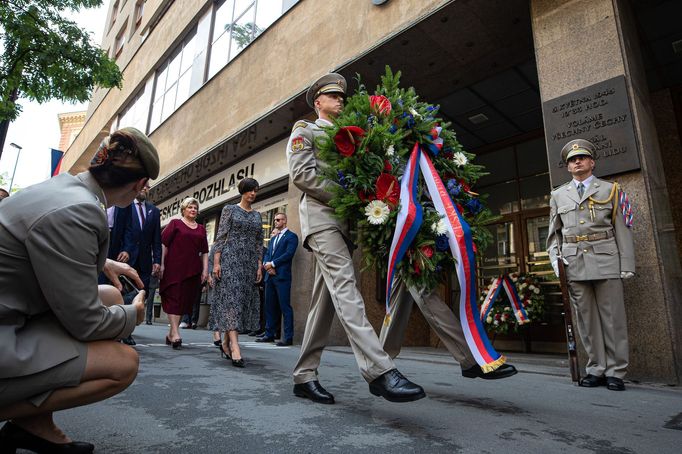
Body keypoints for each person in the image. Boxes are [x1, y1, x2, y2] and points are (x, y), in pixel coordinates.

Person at [0, 127, 158, 452]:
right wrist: (135, 314)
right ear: (141, 185)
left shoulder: (66, 187)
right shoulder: (80, 211)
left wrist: (105, 263)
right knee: (123, 363)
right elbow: (85, 323)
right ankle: (20, 415)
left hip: (10, 316)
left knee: (111, 295)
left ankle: (33, 425)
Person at [287, 73, 424, 405]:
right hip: (321, 220)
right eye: (333, 96)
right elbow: (303, 175)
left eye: (341, 96)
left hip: (344, 225)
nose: (340, 100)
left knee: (324, 302)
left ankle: (304, 376)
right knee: (346, 288)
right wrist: (350, 195)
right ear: (317, 102)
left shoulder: (351, 136)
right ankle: (379, 371)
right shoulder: (305, 131)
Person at [547, 139, 635, 391]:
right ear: (567, 167)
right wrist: (556, 258)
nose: (577, 161)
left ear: (592, 162)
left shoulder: (610, 189)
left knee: (613, 318)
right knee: (586, 321)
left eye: (582, 157)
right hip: (574, 262)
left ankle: (616, 371)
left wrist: (626, 262)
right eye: (572, 160)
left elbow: (623, 228)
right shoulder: (558, 194)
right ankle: (596, 368)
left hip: (607, 259)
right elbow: (555, 234)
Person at [380, 276, 518, 379]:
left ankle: (378, 363)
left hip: (404, 242)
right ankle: (470, 358)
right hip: (406, 240)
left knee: (399, 297)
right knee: (423, 290)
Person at [210, 177, 264, 368]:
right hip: (231, 259)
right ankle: (235, 346)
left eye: (256, 190)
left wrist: (259, 265)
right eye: (250, 190)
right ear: (243, 191)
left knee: (239, 303)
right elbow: (220, 237)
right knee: (232, 301)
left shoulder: (258, 216)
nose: (253, 194)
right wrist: (216, 263)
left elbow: (259, 243)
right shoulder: (229, 210)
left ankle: (225, 342)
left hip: (249, 263)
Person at [159, 197, 209, 349]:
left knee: (184, 301)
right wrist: (161, 264)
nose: (193, 210)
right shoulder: (175, 224)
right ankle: (175, 333)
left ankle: (171, 334)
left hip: (193, 269)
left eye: (195, 207)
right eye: (190, 207)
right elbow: (164, 244)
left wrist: (205, 270)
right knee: (174, 298)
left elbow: (205, 252)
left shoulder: (201, 228)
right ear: (184, 209)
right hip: (173, 267)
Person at [257, 214, 299, 346]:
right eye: (274, 219)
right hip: (270, 277)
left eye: (278, 219)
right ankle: (269, 334)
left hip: (282, 277)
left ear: (285, 221)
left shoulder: (292, 236)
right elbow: (267, 254)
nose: (275, 221)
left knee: (284, 306)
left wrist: (273, 264)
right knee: (269, 306)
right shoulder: (273, 238)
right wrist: (267, 265)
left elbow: (288, 254)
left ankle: (288, 337)